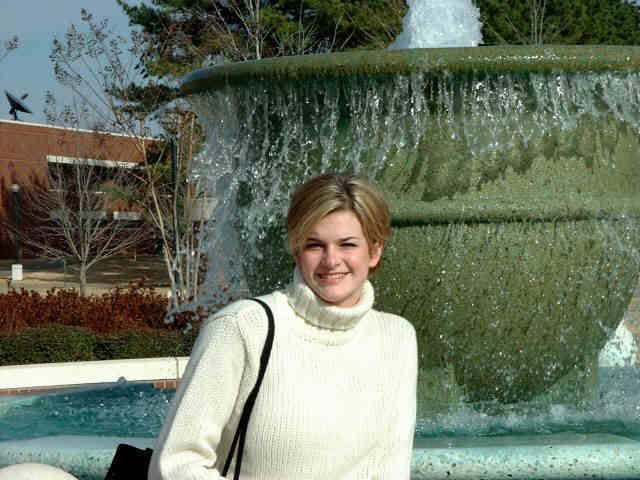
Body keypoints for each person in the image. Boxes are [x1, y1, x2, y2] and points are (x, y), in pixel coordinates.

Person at [149, 172, 418, 479]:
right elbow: (175, 463)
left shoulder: (397, 338)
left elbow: (391, 466)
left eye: (347, 244)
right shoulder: (241, 328)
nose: (331, 260)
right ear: (295, 249)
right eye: (315, 245)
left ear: (375, 250)